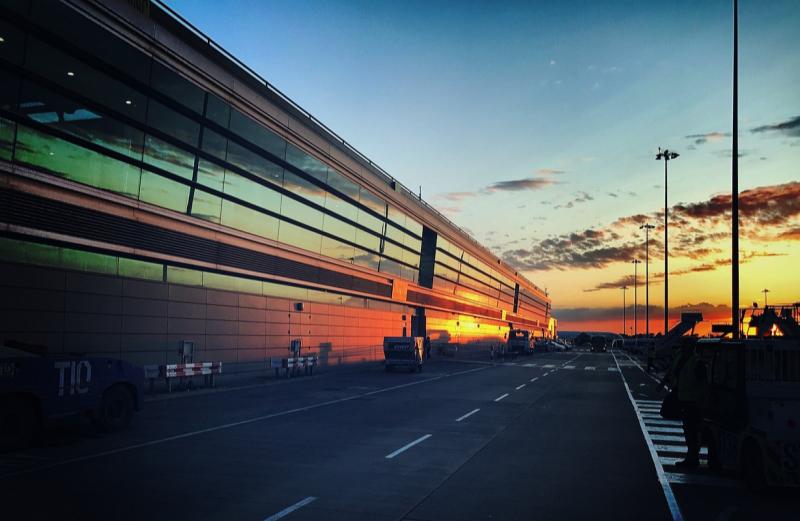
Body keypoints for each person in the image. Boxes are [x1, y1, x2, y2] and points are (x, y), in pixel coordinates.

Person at [663, 343, 708, 468]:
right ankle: (692, 456)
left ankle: (692, 457)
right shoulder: (684, 359)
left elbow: (703, 383)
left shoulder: (695, 362)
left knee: (692, 430)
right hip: (685, 399)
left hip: (693, 402)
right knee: (689, 430)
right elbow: (674, 372)